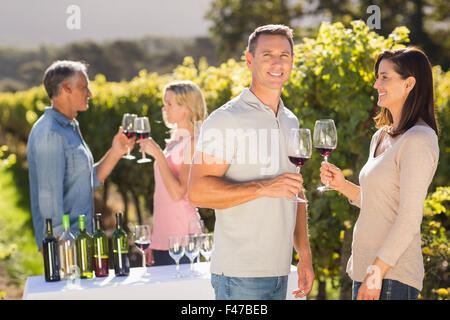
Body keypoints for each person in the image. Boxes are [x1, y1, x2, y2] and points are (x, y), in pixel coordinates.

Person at [188, 24, 315, 300]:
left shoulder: (290, 120)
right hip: (239, 275)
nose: (277, 62)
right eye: (267, 54)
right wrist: (263, 187)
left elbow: (295, 190)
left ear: (292, 61)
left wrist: (304, 255)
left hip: (281, 271)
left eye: (284, 55)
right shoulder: (225, 120)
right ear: (249, 60)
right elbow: (197, 192)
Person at [320, 47, 439, 300]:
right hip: (367, 271)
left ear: (409, 84)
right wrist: (343, 186)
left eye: (385, 77)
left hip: (391, 277)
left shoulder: (419, 139)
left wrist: (377, 272)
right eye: (377, 76)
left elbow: (408, 217)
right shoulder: (381, 136)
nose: (376, 84)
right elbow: (381, 203)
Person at [27, 60, 133, 250]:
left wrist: (116, 151)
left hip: (81, 241)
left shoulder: (69, 127)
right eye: (84, 87)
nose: (90, 93)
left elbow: (86, 180)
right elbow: (49, 199)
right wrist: (65, 250)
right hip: (67, 247)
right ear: (66, 88)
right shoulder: (51, 133)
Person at [137, 80, 207, 266]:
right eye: (164, 103)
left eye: (170, 104)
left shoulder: (193, 143)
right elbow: (162, 195)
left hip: (182, 235)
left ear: (187, 108)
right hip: (163, 236)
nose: (164, 108)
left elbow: (178, 193)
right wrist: (154, 237)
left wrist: (158, 155)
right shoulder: (173, 143)